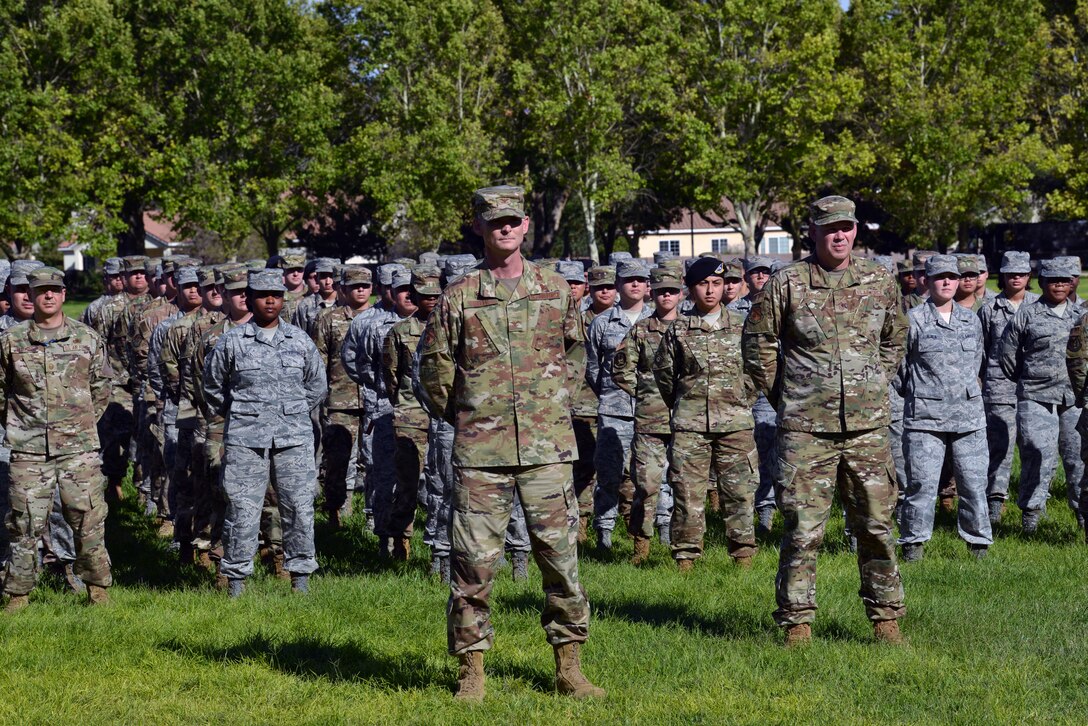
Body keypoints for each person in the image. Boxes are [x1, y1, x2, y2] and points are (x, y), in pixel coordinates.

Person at [417, 185, 603, 701]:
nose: (504, 227)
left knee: (560, 562)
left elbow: (574, 355)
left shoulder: (554, 289)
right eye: (493, 220)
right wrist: (466, 413)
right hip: (482, 452)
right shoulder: (459, 296)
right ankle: (471, 671)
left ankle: (569, 666)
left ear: (525, 226)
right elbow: (433, 369)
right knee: (473, 566)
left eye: (513, 220)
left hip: (546, 450)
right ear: (478, 227)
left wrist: (551, 403)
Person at [742, 195, 906, 646]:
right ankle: (796, 622)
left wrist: (872, 382)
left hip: (867, 429)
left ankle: (886, 618)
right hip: (805, 430)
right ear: (812, 233)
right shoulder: (787, 283)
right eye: (830, 227)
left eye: (846, 227)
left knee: (875, 525)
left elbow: (895, 338)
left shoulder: (878, 280)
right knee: (802, 528)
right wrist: (787, 397)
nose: (839, 235)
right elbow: (758, 344)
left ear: (855, 230)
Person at [203, 269, 326, 596]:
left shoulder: (299, 340)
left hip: (293, 439)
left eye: (276, 294)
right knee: (242, 509)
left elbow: (317, 386)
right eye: (261, 295)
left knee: (299, 508)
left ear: (283, 299)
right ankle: (237, 581)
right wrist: (242, 413)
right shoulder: (231, 341)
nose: (270, 300)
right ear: (250, 298)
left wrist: (292, 412)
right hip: (246, 439)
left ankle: (300, 579)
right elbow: (213, 387)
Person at [1, 267, 113, 611]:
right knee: (24, 522)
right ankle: (18, 594)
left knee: (88, 519)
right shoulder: (11, 341)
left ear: (64, 295)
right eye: (41, 291)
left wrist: (77, 427)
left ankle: (97, 588)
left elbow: (102, 389)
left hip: (79, 449)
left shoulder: (87, 338)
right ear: (31, 296)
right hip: (28, 449)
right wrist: (19, 426)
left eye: (54, 290)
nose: (48, 295)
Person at [653, 257, 758, 571]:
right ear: (690, 288)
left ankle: (743, 559)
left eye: (716, 283)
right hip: (690, 426)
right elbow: (664, 374)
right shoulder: (679, 330)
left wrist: (741, 400)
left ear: (726, 286)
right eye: (703, 284)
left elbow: (758, 369)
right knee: (687, 494)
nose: (710, 291)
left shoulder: (743, 326)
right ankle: (685, 561)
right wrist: (685, 405)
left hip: (736, 423)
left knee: (739, 492)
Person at [895, 255, 992, 560]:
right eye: (940, 277)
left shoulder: (970, 320)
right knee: (921, 483)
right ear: (927, 280)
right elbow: (901, 368)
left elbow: (978, 362)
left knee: (974, 484)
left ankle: (978, 545)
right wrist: (924, 392)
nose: (948, 282)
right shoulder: (913, 320)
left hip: (968, 416)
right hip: (925, 417)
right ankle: (913, 544)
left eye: (953, 276)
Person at [999, 258, 1084, 533]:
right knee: (1037, 457)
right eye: (1052, 281)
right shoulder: (1027, 314)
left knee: (1078, 459)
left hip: (1075, 399)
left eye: (1063, 280)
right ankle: (1031, 518)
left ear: (1071, 283)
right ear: (1042, 283)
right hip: (1035, 396)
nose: (1058, 285)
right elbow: (1008, 353)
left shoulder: (1081, 315)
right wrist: (1027, 379)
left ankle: (1083, 517)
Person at [612, 266, 680, 563]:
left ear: (681, 292)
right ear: (652, 292)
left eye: (672, 290)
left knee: (687, 487)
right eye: (662, 290)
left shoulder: (692, 327)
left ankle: (685, 549)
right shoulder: (641, 329)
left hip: (689, 420)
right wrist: (646, 392)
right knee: (647, 484)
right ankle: (641, 547)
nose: (667, 295)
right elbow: (621, 370)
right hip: (650, 419)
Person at [585, 259, 652, 550]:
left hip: (654, 411)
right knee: (609, 474)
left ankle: (654, 532)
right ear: (618, 286)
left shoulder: (658, 320)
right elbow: (592, 368)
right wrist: (611, 393)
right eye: (628, 280)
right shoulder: (603, 323)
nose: (634, 284)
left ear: (648, 286)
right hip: (614, 410)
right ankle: (604, 534)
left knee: (652, 478)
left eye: (640, 279)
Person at [382, 266, 441, 563]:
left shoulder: (452, 326)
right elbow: (391, 374)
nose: (431, 300)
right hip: (410, 414)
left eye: (435, 294)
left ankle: (441, 547)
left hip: (446, 415)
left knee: (443, 482)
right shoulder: (399, 331)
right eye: (425, 295)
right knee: (408, 480)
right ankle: (400, 539)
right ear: (414, 296)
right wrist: (405, 404)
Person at [978, 251, 1037, 524]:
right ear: (1002, 276)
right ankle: (995, 501)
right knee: (999, 448)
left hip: (1034, 388)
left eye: (1021, 274)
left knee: (1033, 447)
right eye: (1011, 273)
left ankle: (1034, 503)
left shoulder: (1039, 305)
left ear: (1028, 276)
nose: (1016, 278)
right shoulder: (989, 308)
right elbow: (983, 350)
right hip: (998, 387)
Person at [312, 266, 372, 526]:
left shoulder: (380, 318)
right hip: (339, 401)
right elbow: (318, 362)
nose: (360, 290)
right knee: (337, 461)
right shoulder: (328, 319)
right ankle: (335, 510)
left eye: (365, 285)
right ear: (343, 289)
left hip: (374, 402)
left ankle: (374, 514)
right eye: (354, 286)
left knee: (375, 461)